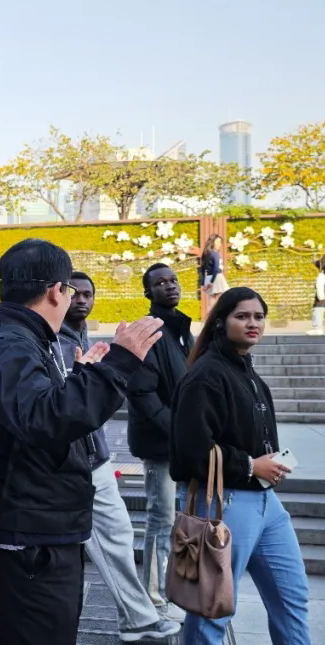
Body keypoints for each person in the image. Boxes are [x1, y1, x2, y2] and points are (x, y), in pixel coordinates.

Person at [0, 238, 164, 645]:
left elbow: (34, 413)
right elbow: (43, 420)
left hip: (32, 532)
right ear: (57, 291)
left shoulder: (19, 340)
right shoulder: (12, 347)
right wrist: (118, 365)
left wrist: (81, 379)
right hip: (27, 540)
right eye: (69, 290)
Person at [170, 287, 311, 645]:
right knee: (212, 608)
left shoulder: (246, 370)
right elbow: (190, 450)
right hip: (226, 503)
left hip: (265, 505)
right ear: (220, 322)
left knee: (292, 599)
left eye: (259, 317)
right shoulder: (207, 375)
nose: (253, 324)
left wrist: (269, 462)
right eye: (242, 316)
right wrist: (250, 465)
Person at [58, 271, 180, 642]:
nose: (82, 299)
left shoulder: (82, 337)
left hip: (95, 456)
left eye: (88, 294)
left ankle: (137, 618)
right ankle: (138, 618)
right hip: (77, 461)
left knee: (117, 535)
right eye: (74, 294)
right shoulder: (57, 343)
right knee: (105, 540)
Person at [127, 263, 194, 618]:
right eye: (160, 283)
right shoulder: (149, 331)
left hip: (184, 442)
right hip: (160, 445)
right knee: (160, 517)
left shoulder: (183, 331)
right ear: (148, 292)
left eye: (173, 280)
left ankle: (175, 587)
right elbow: (141, 392)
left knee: (181, 518)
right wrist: (176, 429)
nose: (170, 287)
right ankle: (153, 596)